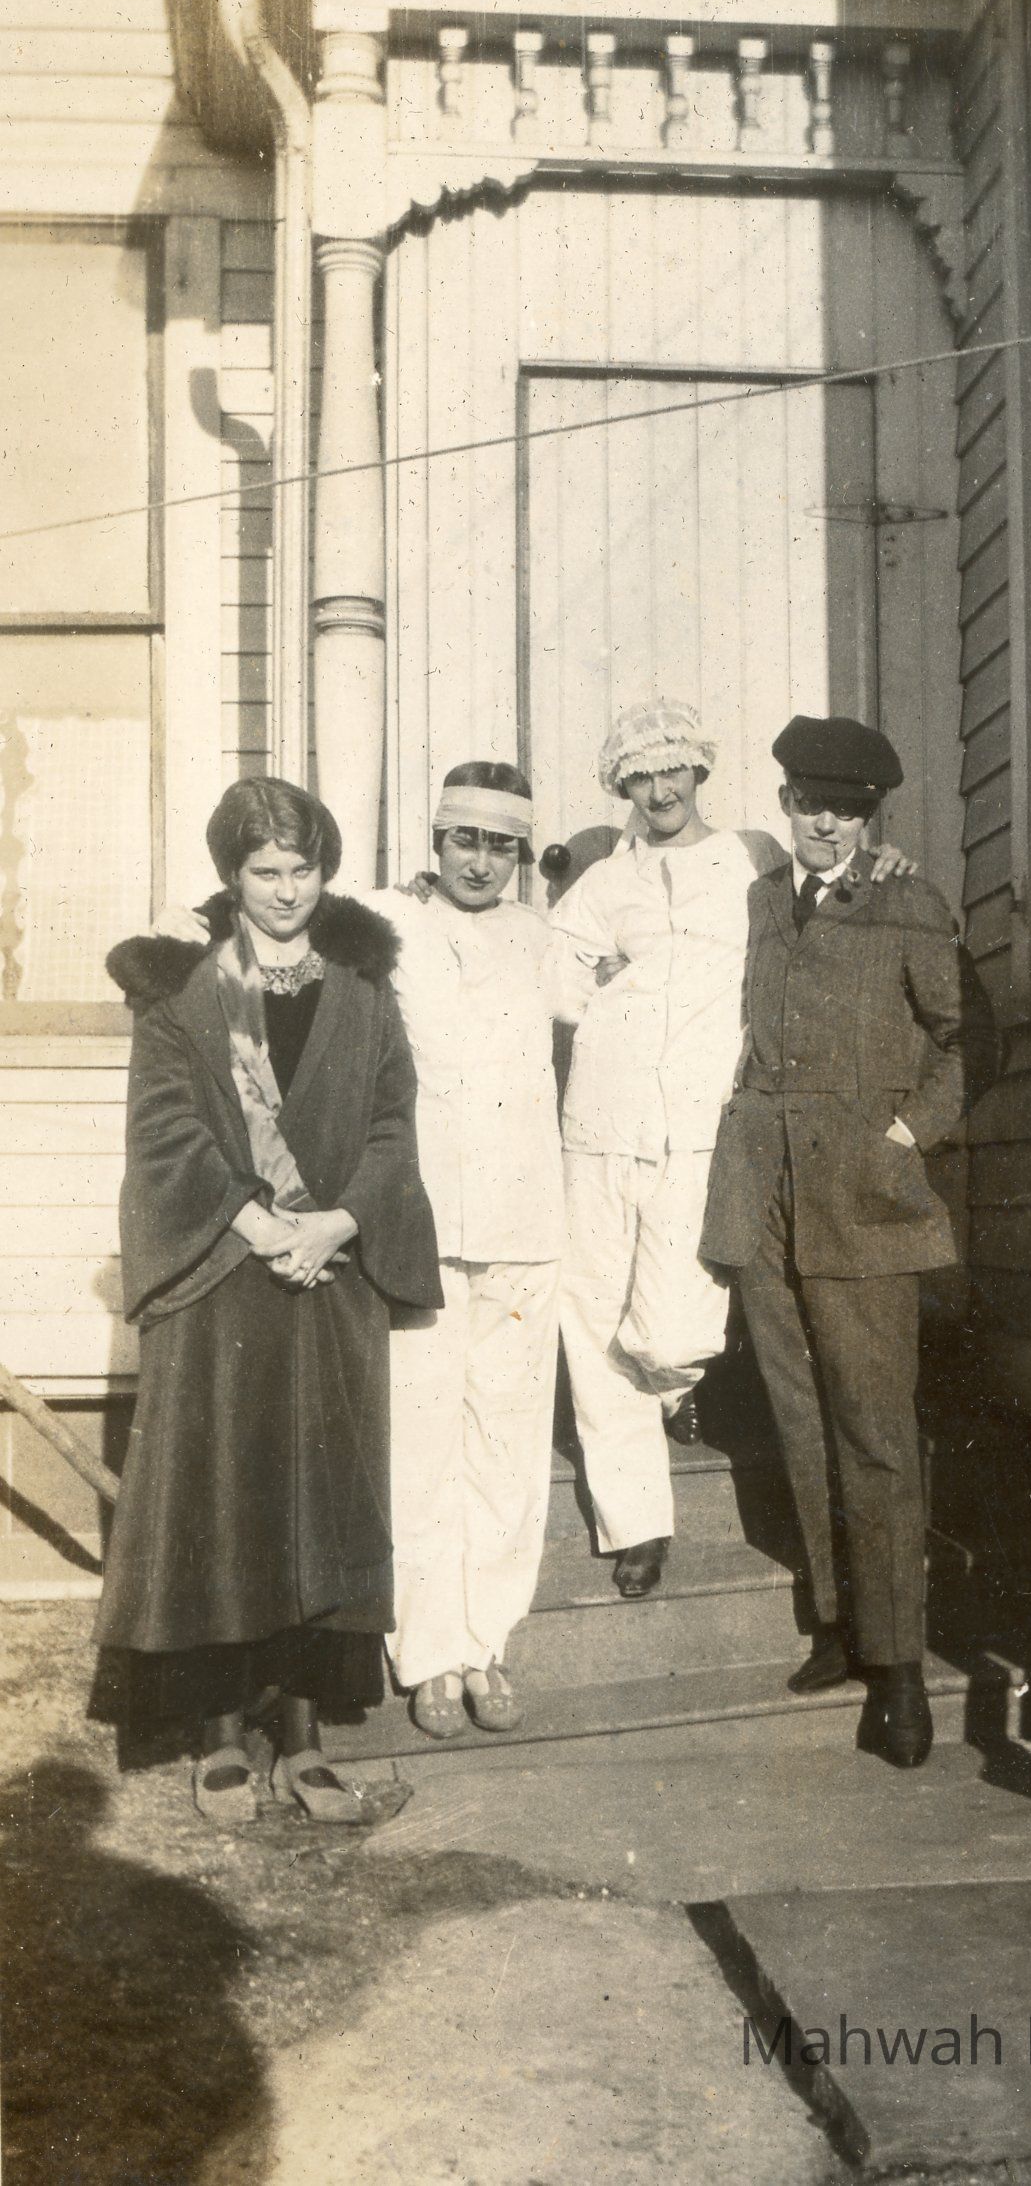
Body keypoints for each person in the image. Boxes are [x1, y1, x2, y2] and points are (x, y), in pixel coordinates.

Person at [100, 778, 442, 1823]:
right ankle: (218, 1737)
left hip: (330, 1276)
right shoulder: (184, 992)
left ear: (325, 871)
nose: (287, 891)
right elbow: (164, 1132)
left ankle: (301, 1736)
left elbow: (392, 1124)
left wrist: (338, 1222)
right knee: (222, 1503)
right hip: (220, 1277)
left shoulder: (364, 990)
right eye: (265, 872)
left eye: (304, 869)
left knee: (322, 1503)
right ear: (230, 875)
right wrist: (258, 1225)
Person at [548, 699, 917, 1601]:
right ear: (621, 784)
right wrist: (609, 990)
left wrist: (888, 862)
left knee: (670, 1327)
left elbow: (834, 890)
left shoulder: (752, 856)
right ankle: (637, 1522)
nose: (659, 789)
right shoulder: (602, 884)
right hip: (601, 1121)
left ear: (699, 771)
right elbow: (556, 982)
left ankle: (673, 1389)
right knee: (590, 1318)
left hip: (706, 1125)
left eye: (672, 769)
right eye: (640, 775)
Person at [701, 718, 992, 1769]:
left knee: (874, 1429)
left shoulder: (909, 902)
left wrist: (902, 1137)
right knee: (800, 1417)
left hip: (861, 1200)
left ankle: (899, 1665)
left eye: (847, 810)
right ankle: (838, 1623)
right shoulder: (756, 902)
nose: (824, 824)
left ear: (872, 817)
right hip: (765, 1195)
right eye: (808, 804)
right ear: (784, 802)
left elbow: (973, 1040)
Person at [372, 763, 563, 1741]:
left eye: (501, 846)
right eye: (464, 841)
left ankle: (486, 1639)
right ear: (436, 840)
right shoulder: (384, 924)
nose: (481, 862)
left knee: (507, 1441)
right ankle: (427, 1648)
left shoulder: (542, 939)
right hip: (426, 1228)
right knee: (420, 1439)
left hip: (525, 1226)